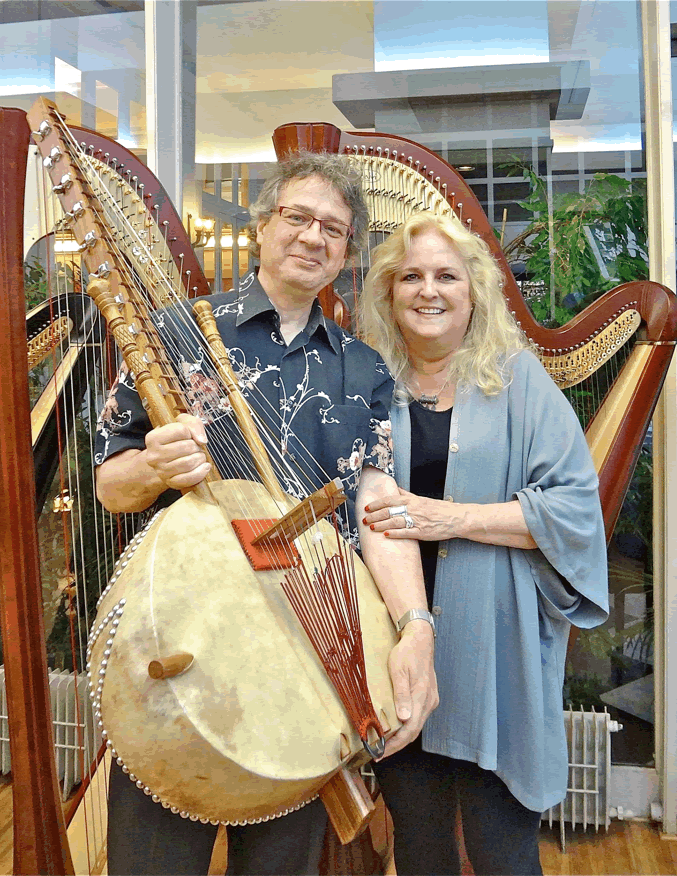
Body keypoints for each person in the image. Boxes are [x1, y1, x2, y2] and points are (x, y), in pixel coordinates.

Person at [93, 152, 438, 876]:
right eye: (298, 217)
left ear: (347, 255)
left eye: (334, 229)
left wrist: (414, 627)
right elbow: (110, 486)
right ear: (262, 225)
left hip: (304, 663)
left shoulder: (363, 369)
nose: (314, 237)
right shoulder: (173, 334)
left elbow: (378, 508)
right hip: (182, 659)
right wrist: (154, 464)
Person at [359, 211, 609, 876]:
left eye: (446, 275)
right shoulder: (366, 386)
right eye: (410, 276)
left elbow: (575, 512)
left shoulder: (517, 380)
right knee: (421, 849)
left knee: (503, 853)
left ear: (474, 291)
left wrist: (449, 518)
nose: (428, 290)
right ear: (388, 292)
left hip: (494, 653)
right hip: (396, 653)